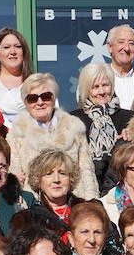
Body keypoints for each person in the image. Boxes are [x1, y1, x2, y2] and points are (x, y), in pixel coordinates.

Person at [7, 72, 98, 200]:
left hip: (75, 204)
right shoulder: (17, 135)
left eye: (45, 97)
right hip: (35, 207)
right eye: (32, 98)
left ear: (54, 98)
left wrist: (91, 205)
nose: (39, 102)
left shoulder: (74, 128)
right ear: (26, 103)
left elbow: (86, 171)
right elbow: (16, 177)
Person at [71, 61, 134, 188]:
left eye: (105, 85)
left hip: (121, 187)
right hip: (85, 188)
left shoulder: (129, 118)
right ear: (86, 90)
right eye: (95, 87)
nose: (101, 91)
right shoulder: (74, 120)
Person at [26, 148, 88, 235]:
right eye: (49, 174)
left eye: (62, 173)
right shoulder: (31, 219)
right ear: (38, 181)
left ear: (71, 179)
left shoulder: (88, 210)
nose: (56, 180)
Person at [0, 27, 33, 128]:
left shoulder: (37, 83)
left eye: (17, 46)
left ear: (23, 52)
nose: (13, 51)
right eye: (6, 47)